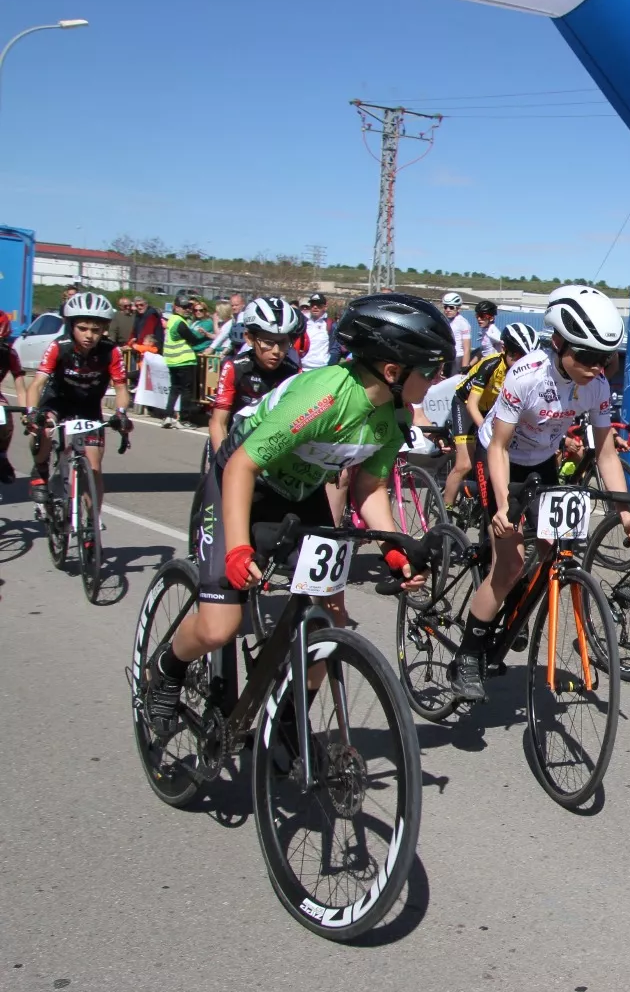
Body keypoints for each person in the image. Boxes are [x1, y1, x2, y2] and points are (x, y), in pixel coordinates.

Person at [138, 294, 452, 731]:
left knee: (329, 621)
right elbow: (243, 466)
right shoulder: (325, 396)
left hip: (301, 493)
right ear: (393, 370)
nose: (439, 379)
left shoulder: (394, 415)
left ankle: (285, 727)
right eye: (432, 370)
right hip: (242, 483)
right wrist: (239, 549)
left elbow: (369, 488)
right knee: (219, 628)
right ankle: (167, 670)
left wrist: (393, 548)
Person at [456, 286, 630, 702]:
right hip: (501, 459)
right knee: (510, 562)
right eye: (588, 357)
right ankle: (468, 656)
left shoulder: (596, 386)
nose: (598, 368)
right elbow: (498, 447)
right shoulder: (527, 376)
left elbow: (607, 452)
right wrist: (503, 505)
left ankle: (509, 614)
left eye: (606, 359)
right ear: (557, 343)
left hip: (542, 461)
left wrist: (625, 510)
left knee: (552, 548)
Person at [24, 293, 132, 504]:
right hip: (57, 400)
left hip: (88, 407)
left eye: (95, 330)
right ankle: (40, 471)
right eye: (82, 328)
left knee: (94, 469)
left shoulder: (111, 352)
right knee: (43, 427)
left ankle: (91, 528)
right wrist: (31, 413)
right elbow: (36, 384)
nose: (89, 335)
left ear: (104, 329)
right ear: (71, 326)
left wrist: (121, 414)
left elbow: (121, 388)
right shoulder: (59, 346)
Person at [450, 321, 538, 509]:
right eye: (515, 356)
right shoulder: (491, 365)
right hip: (466, 403)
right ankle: (445, 511)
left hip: (492, 409)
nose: (520, 362)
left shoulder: (527, 374)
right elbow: (472, 405)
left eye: (525, 357)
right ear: (504, 349)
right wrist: (486, 431)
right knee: (465, 463)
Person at [206, 298, 304, 451]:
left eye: (283, 343)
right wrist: (222, 461)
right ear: (249, 338)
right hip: (234, 438)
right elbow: (218, 422)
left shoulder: (293, 372)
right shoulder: (235, 367)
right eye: (268, 342)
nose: (276, 351)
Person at [161, 295, 210, 429]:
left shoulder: (172, 320)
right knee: (186, 391)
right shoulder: (180, 322)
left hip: (172, 360)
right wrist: (207, 338)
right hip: (184, 360)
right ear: (176, 307)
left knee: (175, 388)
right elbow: (193, 339)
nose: (187, 310)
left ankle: (168, 416)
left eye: (189, 307)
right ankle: (184, 419)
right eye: (184, 307)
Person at [0, 334, 27, 483]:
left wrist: (25, 412)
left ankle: (2, 457)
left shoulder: (9, 354)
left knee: (4, 414)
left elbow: (20, 386)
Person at [301, 293, 334, 368]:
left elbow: (334, 348)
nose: (315, 307)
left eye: (318, 305)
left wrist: (330, 364)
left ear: (325, 307)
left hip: (321, 368)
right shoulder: (303, 322)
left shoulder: (330, 325)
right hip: (302, 368)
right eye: (312, 304)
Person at [442, 292, 474, 368]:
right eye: (445, 307)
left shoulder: (463, 323)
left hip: (458, 358)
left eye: (451, 307)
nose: (448, 310)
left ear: (458, 309)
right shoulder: (446, 321)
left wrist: (464, 368)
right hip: (448, 358)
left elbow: (466, 349)